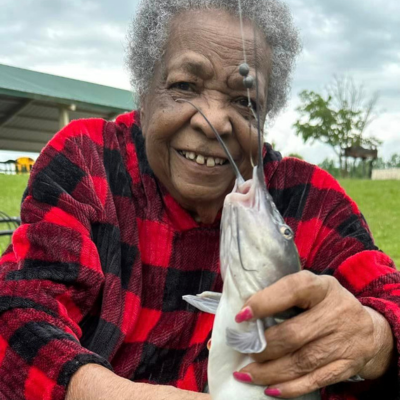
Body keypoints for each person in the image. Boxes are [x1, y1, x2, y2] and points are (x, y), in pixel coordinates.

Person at [0, 0, 398, 399]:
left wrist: (376, 336)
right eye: (185, 86)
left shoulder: (310, 200)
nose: (215, 122)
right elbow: (20, 313)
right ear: (144, 91)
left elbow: (389, 298)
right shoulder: (88, 161)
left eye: (245, 101)